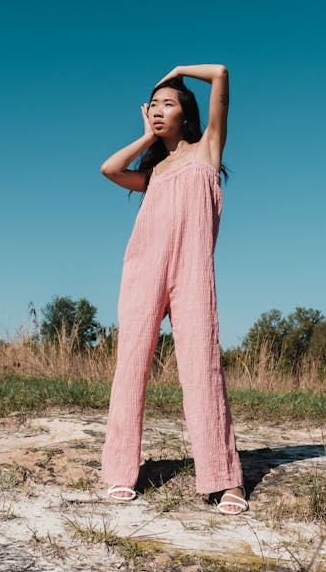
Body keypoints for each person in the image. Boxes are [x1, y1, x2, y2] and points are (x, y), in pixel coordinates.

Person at [99, 63, 248, 515]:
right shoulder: (154, 173)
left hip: (192, 273)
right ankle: (120, 471)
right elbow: (109, 169)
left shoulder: (207, 150)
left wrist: (180, 70)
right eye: (154, 105)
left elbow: (221, 74)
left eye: (169, 103)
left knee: (202, 366)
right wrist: (146, 138)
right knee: (131, 366)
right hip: (144, 270)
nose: (160, 110)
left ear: (187, 113)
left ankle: (224, 479)